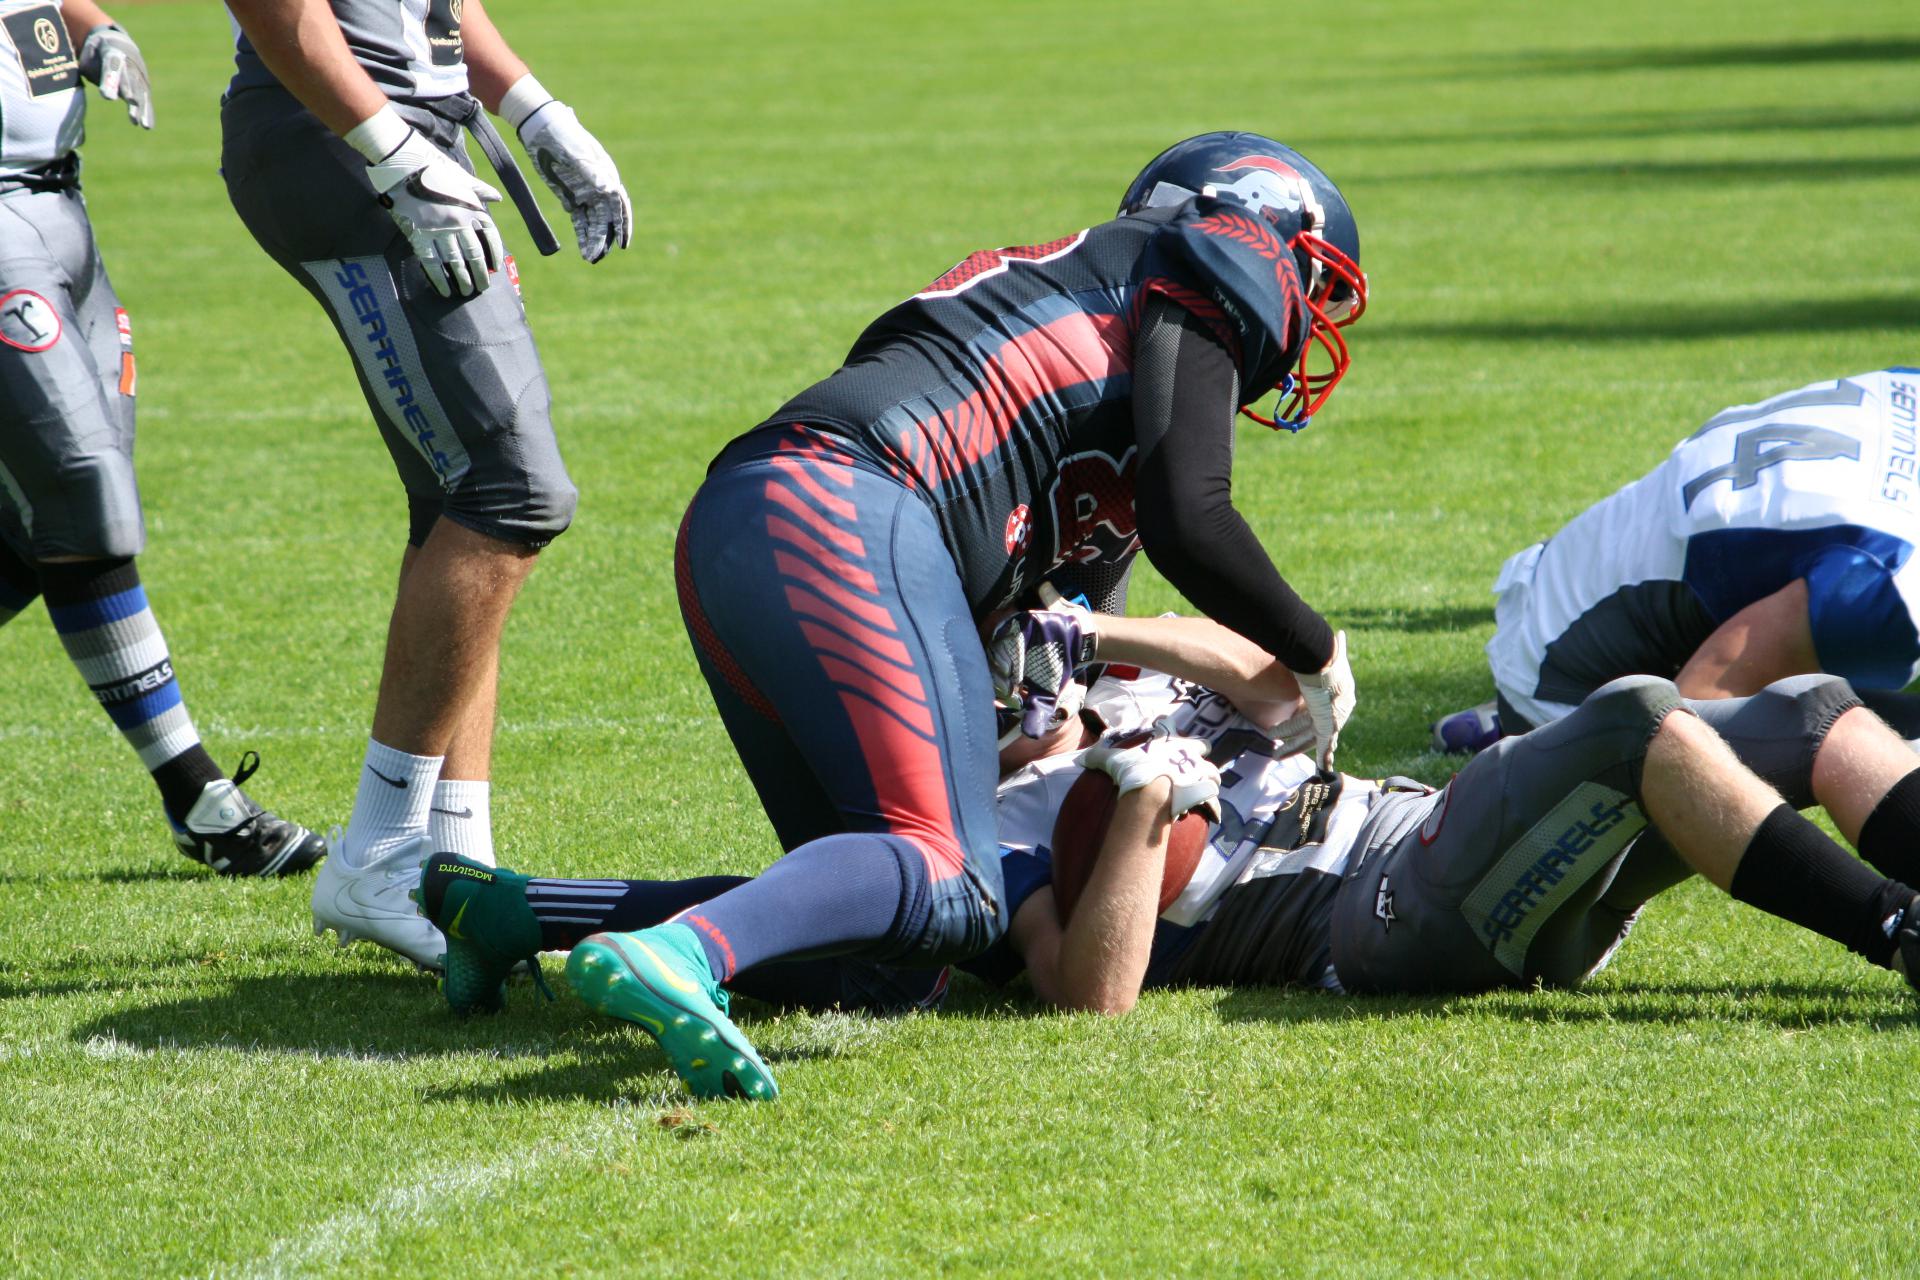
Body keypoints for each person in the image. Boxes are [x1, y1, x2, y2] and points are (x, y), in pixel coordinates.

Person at [531, 131, 1371, 1099]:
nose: (1305, 318)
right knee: (948, 875)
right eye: (1314, 283)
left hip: (745, 520)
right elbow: (1195, 518)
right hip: (853, 509)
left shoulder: (1071, 328)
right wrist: (1315, 648)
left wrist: (1061, 689)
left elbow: (1062, 642)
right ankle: (681, 953)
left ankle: (521, 912)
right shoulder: (1226, 251)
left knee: (887, 958)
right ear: (1266, 228)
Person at [417, 612, 1920, 1053]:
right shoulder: (999, 829)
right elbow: (1089, 996)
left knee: (1808, 705)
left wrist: (1099, 636)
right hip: (1384, 909)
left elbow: (1287, 678)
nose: (1023, 686)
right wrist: (1141, 807)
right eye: (993, 674)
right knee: (1640, 714)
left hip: (1436, 833)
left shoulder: (1124, 686)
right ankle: (1899, 936)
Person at [219, 0, 631, 962]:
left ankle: (456, 866)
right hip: (344, 132)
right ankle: (378, 856)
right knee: (510, 492)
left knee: (458, 501)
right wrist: (391, 149)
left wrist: (534, 109)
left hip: (399, 129)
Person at [0, 0, 323, 874]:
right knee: (82, 498)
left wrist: (93, 29)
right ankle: (200, 798)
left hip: (62, 207)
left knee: (36, 532)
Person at [1434, 367, 1920, 754]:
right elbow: (1699, 710)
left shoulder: (1905, 383)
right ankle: (1542, 740)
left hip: (1567, 590)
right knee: (1860, 749)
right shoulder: (1885, 576)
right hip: (1565, 685)